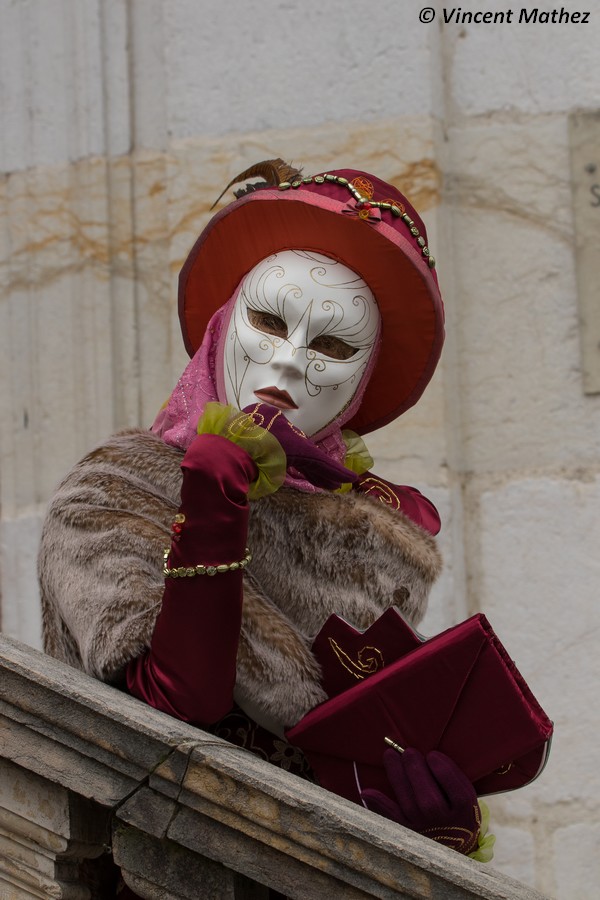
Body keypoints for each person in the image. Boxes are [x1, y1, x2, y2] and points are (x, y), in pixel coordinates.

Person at [39, 160, 493, 863]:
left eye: (332, 347)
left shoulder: (365, 544)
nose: (285, 365)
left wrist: (431, 833)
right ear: (223, 327)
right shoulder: (113, 496)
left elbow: (337, 772)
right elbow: (171, 706)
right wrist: (212, 504)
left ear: (358, 383)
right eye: (268, 321)